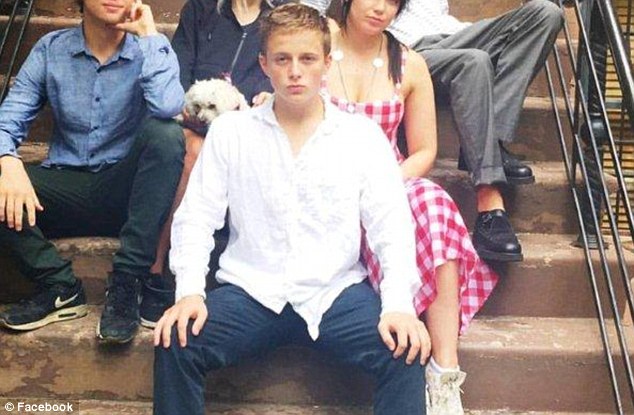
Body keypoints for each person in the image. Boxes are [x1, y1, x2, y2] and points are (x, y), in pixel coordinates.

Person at [153, 4, 429, 415]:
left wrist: (399, 305)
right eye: (282, 59)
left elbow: (391, 227)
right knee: (176, 341)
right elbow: (196, 218)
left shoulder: (361, 136)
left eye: (307, 59)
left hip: (334, 292)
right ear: (264, 64)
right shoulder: (232, 132)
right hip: (252, 289)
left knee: (405, 349)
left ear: (327, 63)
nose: (295, 72)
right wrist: (190, 291)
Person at [318, 0, 500, 413]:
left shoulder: (409, 63)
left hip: (386, 183)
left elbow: (424, 151)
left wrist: (382, 186)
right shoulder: (319, 42)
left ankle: (444, 371)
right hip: (321, 185)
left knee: (433, 201)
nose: (381, 8)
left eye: (393, 1)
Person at [305, 0, 564, 263]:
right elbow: (307, 10)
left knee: (546, 13)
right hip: (410, 50)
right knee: (474, 62)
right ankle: (489, 203)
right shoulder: (381, 23)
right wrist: (332, 28)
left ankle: (491, 140)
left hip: (456, 38)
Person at [0, 0, 185, 344]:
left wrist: (149, 34)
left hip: (125, 194)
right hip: (63, 189)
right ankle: (60, 286)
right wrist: (7, 162)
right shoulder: (51, 49)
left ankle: (128, 281)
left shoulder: (150, 48)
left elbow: (168, 106)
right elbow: (8, 119)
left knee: (167, 134)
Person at [148, 0, 284, 281]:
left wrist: (267, 96)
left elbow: (281, 75)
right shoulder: (200, 9)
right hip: (195, 123)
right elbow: (179, 73)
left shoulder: (280, 17)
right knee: (193, 151)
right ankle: (158, 267)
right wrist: (189, 108)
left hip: (249, 128)